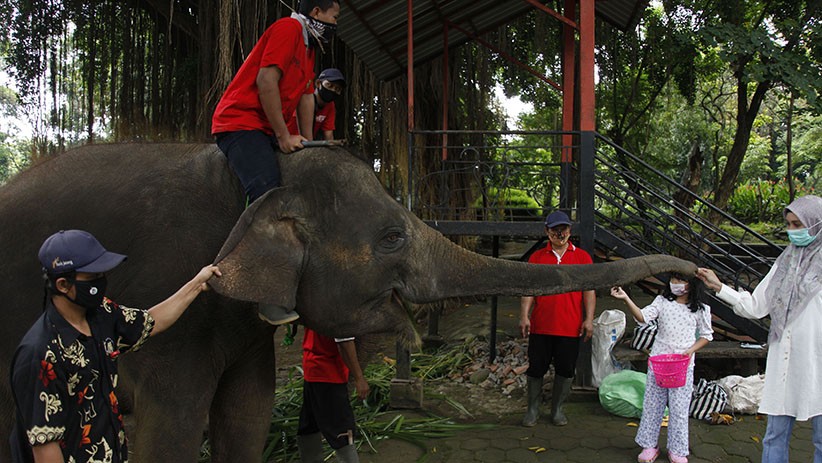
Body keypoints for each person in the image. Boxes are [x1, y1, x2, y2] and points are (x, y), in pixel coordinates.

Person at [9, 229, 221, 463]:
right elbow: (45, 447)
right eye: (92, 277)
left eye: (102, 274)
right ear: (63, 284)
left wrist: (196, 284)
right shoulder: (40, 355)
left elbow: (150, 321)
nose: (101, 281)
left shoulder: (102, 313)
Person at [211, 0, 341, 325]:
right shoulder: (288, 29)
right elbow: (266, 82)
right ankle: (267, 295)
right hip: (241, 123)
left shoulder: (310, 48)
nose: (336, 23)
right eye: (335, 16)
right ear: (316, 12)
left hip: (266, 129)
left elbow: (306, 96)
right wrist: (284, 136)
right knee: (268, 194)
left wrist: (307, 142)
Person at [697, 194, 822, 463]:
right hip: (784, 362)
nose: (792, 231)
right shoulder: (785, 262)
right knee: (774, 436)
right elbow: (757, 306)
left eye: (798, 224)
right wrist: (720, 287)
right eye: (788, 224)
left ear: (816, 223)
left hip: (817, 363)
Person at [611, 273, 713, 463]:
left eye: (681, 280)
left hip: (683, 366)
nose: (676, 284)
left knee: (679, 409)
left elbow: (707, 335)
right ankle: (649, 446)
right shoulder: (662, 301)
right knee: (652, 405)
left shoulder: (701, 309)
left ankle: (678, 450)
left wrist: (690, 350)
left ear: (692, 283)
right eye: (673, 279)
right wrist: (625, 298)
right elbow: (643, 317)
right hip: (658, 364)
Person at [519, 210, 595, 427]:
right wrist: (524, 316)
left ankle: (557, 409)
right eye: (555, 230)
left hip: (570, 326)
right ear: (547, 231)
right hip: (541, 325)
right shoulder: (537, 258)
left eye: (563, 229)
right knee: (536, 368)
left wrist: (589, 319)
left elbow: (589, 291)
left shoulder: (582, 258)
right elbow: (529, 290)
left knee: (566, 369)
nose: (560, 234)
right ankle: (532, 409)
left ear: (570, 231)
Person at [297, 328, 368, 463]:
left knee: (310, 423)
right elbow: (344, 342)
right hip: (329, 373)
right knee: (342, 429)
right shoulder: (340, 314)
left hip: (312, 368)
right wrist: (359, 378)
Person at [287, 68, 345, 141]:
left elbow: (328, 135)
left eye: (337, 89)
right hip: (287, 140)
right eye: (329, 85)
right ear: (318, 83)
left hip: (306, 142)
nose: (333, 90)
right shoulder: (303, 99)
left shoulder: (330, 106)